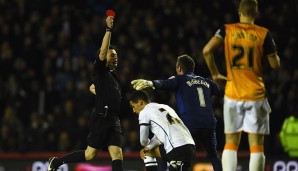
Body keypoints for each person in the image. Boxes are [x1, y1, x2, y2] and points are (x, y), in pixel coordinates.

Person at [202, 0, 280, 170]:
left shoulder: (227, 30)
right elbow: (275, 65)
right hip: (256, 95)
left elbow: (207, 50)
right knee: (257, 146)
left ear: (239, 11)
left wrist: (215, 74)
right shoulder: (263, 34)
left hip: (232, 94)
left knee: (230, 143)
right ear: (256, 13)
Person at [47, 15, 124, 171]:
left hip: (113, 120)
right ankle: (57, 162)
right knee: (90, 155)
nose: (115, 57)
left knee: (117, 154)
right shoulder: (101, 71)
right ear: (104, 57)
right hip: (102, 118)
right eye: (112, 55)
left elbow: (102, 91)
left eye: (116, 55)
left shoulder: (114, 78)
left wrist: (95, 91)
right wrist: (109, 29)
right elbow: (103, 51)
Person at [131, 54, 223, 171]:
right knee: (213, 155)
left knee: (165, 146)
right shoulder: (207, 81)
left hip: (190, 124)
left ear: (179, 68)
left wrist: (151, 84)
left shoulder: (180, 79)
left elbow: (165, 83)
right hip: (209, 123)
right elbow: (223, 92)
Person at [129, 90, 196, 171]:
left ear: (140, 102)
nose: (134, 110)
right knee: (147, 152)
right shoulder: (166, 107)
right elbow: (158, 137)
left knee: (145, 151)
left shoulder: (144, 112)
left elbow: (143, 141)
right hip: (189, 146)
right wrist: (148, 147)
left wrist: (146, 145)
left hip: (177, 149)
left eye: (133, 106)